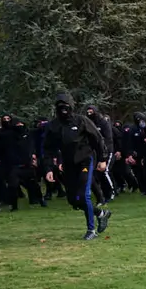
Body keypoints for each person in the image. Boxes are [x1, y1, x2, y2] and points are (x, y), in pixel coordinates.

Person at [41, 93, 110, 240]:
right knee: (73, 200)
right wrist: (48, 168)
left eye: (65, 106)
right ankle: (101, 214)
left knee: (84, 194)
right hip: (68, 164)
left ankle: (91, 230)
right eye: (60, 107)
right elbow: (48, 148)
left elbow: (98, 139)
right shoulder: (53, 126)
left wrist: (103, 159)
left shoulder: (81, 121)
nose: (63, 110)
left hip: (85, 160)